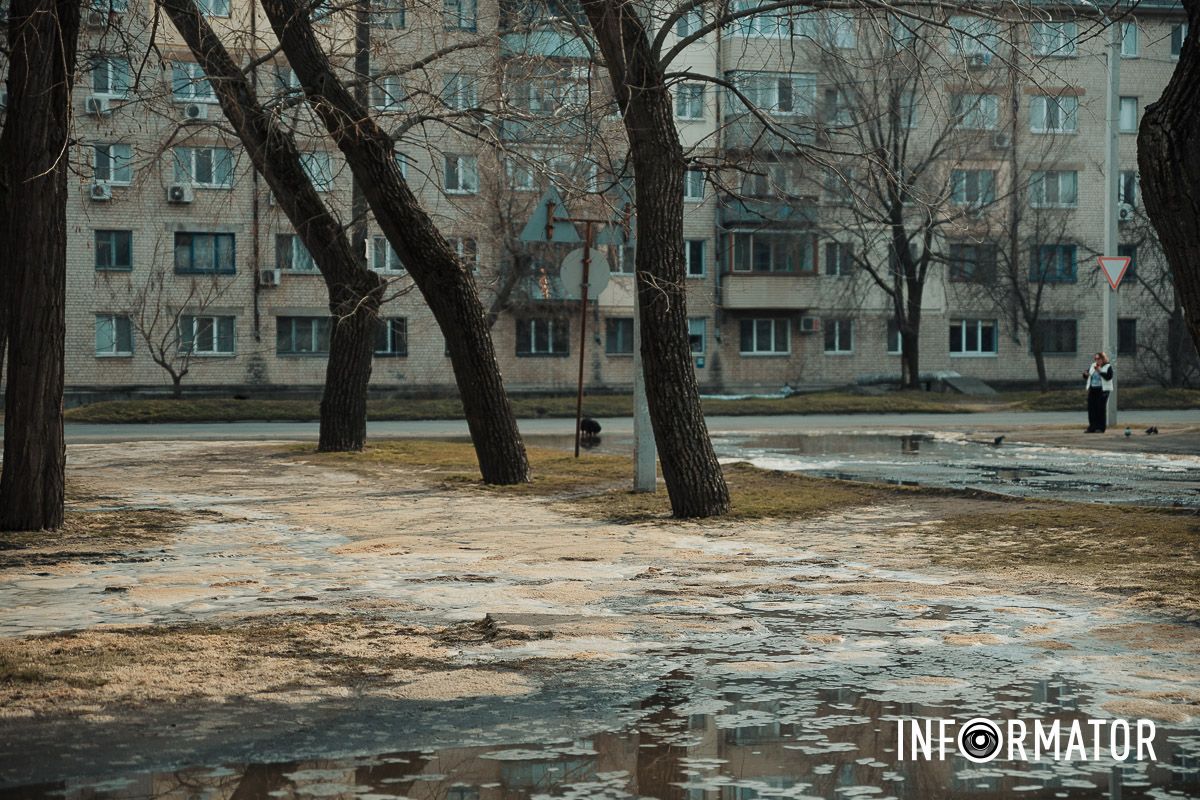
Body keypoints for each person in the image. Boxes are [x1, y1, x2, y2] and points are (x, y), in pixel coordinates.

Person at [1083, 352, 1114, 433]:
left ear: (1103, 359)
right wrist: (1085, 374)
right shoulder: (1093, 366)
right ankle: (1092, 427)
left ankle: (1100, 427)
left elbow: (1109, 377)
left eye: (1098, 359)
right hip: (1093, 389)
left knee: (1100, 408)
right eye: (1095, 359)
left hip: (1103, 390)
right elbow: (1087, 374)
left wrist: (1100, 371)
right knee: (1092, 408)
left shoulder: (1108, 366)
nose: (1097, 360)